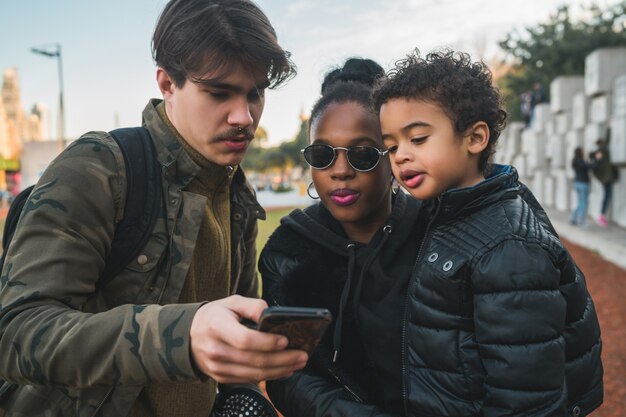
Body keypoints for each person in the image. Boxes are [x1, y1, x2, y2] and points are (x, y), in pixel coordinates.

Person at [0, 1, 309, 416]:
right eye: (219, 92)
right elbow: (17, 332)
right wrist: (182, 337)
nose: (244, 116)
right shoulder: (99, 168)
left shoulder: (236, 190)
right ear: (167, 83)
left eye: (255, 93)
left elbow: (235, 338)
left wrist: (246, 390)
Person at [374, 50, 603, 416]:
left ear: (475, 138)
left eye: (417, 139)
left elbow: (528, 400)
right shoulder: (440, 211)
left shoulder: (509, 247)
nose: (400, 156)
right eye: (390, 146)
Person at [259, 58, 422, 416]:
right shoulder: (287, 252)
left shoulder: (435, 233)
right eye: (322, 155)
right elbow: (288, 374)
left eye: (363, 154)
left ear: (392, 155)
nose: (341, 171)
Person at [589, 137, 617, 227]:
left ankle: (602, 216)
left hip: (605, 179)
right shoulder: (602, 151)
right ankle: (601, 216)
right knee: (606, 196)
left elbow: (590, 155)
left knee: (606, 196)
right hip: (607, 179)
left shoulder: (598, 153)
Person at [571, 146, 591, 227]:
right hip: (583, 184)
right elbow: (589, 166)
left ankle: (573, 219)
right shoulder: (580, 161)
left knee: (580, 203)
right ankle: (581, 221)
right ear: (580, 152)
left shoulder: (575, 161)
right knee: (583, 203)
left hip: (577, 183)